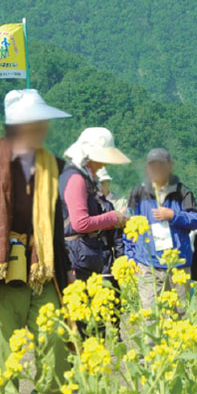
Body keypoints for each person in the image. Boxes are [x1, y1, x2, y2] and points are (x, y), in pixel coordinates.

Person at [0, 89, 73, 394]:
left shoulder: (51, 169)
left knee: (54, 337)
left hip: (43, 269)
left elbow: (56, 227)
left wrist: (67, 274)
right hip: (3, 272)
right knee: (2, 348)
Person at [59, 128, 131, 331]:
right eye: (102, 158)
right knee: (86, 325)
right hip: (77, 256)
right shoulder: (75, 179)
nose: (104, 164)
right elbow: (80, 223)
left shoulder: (81, 177)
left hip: (84, 255)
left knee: (93, 323)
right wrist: (112, 217)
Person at [124, 148, 197, 310]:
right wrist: (131, 255)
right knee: (151, 316)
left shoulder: (182, 191)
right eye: (153, 165)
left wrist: (174, 215)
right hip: (148, 264)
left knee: (181, 313)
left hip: (178, 265)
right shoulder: (138, 193)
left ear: (170, 166)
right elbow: (129, 226)